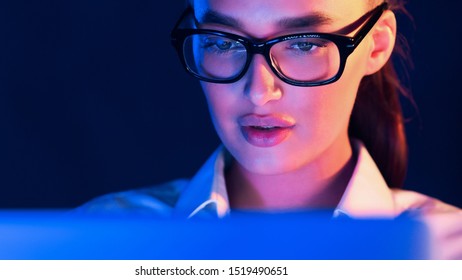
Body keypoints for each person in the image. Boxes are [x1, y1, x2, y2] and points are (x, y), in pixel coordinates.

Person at [77, 0, 462, 258]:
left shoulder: (447, 255)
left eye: (304, 44)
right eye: (222, 42)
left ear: (376, 45)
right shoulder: (94, 244)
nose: (260, 93)